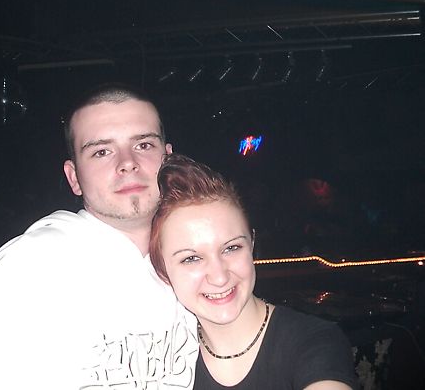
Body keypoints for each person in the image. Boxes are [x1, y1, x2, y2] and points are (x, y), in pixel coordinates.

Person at [0, 85, 199, 390]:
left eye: (143, 145)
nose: (127, 162)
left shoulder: (200, 256)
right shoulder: (35, 262)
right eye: (101, 151)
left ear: (168, 159)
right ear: (74, 177)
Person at [149, 154, 358, 390]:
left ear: (252, 246)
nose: (219, 277)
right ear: (162, 270)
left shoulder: (313, 341)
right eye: (191, 258)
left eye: (231, 248)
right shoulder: (162, 363)